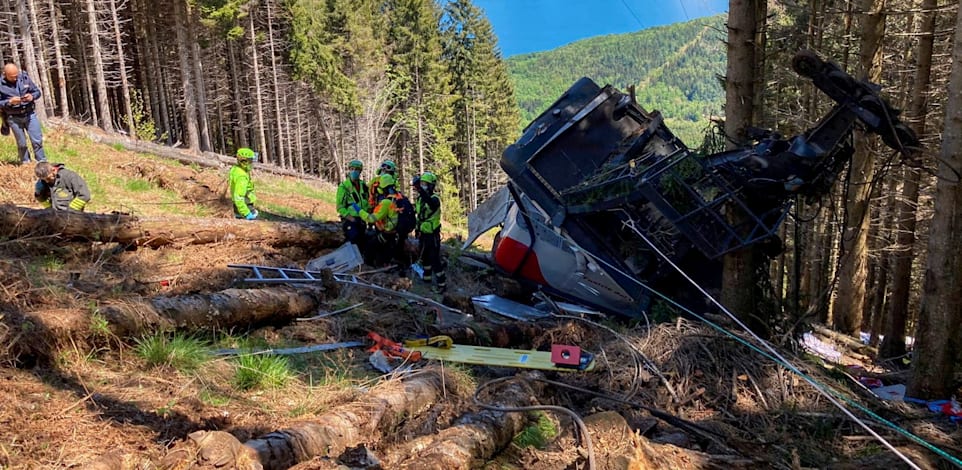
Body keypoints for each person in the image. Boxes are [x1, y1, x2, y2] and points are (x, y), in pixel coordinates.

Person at [0, 63, 45, 164]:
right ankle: (25, 163)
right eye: (12, 77)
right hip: (13, 117)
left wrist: (32, 96)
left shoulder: (24, 78)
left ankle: (41, 162)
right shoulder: (0, 85)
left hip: (29, 114)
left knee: (37, 140)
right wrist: (9, 102)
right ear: (5, 74)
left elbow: (37, 92)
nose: (15, 78)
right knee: (22, 144)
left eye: (16, 76)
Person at [413, 171, 446, 292]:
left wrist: (419, 189)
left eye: (425, 184)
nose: (423, 186)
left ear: (431, 185)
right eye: (422, 183)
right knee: (425, 258)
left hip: (432, 235)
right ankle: (426, 280)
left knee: (434, 259)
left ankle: (442, 284)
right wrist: (417, 229)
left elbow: (431, 204)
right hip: (423, 233)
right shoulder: (420, 199)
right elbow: (419, 216)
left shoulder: (434, 199)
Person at [363, 173, 401, 267]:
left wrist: (359, 211)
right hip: (394, 233)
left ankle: (369, 267)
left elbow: (372, 218)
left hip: (387, 233)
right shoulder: (398, 198)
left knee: (370, 247)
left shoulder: (386, 202)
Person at [336, 159, 371, 249]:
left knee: (362, 242)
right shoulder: (344, 186)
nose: (354, 171)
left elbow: (367, 202)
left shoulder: (363, 185)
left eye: (357, 169)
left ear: (360, 171)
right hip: (350, 220)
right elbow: (340, 207)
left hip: (362, 219)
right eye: (352, 169)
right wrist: (351, 218)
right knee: (353, 239)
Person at [229, 148, 258, 219]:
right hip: (245, 207)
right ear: (244, 162)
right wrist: (247, 213)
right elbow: (238, 197)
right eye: (251, 161)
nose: (252, 164)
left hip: (239, 207)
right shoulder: (242, 177)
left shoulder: (236, 169)